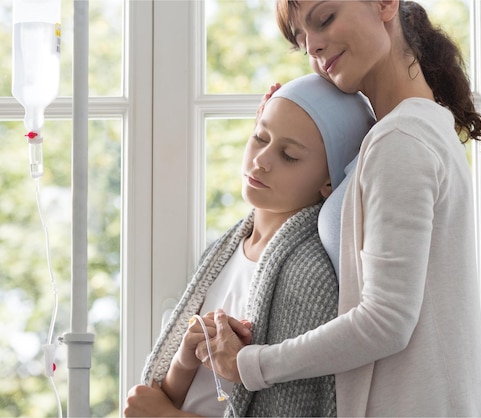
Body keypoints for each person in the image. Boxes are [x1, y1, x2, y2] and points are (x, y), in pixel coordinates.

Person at [207, 1, 481, 416]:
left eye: (324, 19)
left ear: (384, 4)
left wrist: (247, 364)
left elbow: (386, 322)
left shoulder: (401, 140)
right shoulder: (403, 131)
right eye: (302, 40)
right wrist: (280, 130)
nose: (314, 49)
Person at [123, 73, 375, 417]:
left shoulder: (308, 278)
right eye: (260, 137)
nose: (262, 160)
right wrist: (184, 359)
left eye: (288, 155)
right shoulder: (224, 250)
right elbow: (178, 395)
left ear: (330, 181)